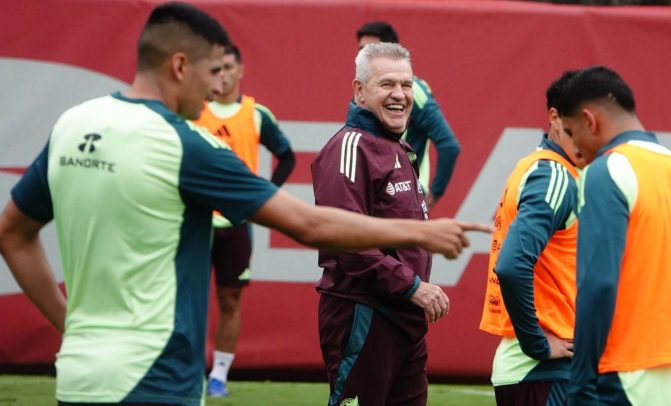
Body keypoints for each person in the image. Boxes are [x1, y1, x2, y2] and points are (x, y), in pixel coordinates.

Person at [0, 3, 489, 405]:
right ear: (180, 67)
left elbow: (12, 233)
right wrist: (422, 232)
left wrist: (72, 328)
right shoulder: (187, 146)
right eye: (213, 72)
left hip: (80, 376)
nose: (219, 89)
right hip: (155, 378)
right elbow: (311, 226)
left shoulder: (74, 124)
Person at [557, 66, 671, 405]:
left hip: (628, 380)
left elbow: (598, 286)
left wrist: (580, 387)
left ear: (589, 120)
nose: (575, 150)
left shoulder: (605, 172)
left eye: (570, 131)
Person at [312, 42, 448, 406]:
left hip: (406, 318)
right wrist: (413, 286)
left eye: (406, 85)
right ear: (359, 91)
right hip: (364, 313)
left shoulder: (398, 147)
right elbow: (346, 241)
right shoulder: (350, 147)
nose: (400, 94)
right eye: (387, 84)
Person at [192, 43, 296, 397]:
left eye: (228, 68)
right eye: (216, 68)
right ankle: (189, 369)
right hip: (197, 223)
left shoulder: (255, 114)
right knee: (188, 299)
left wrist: (262, 197)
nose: (222, 75)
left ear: (240, 71)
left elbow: (287, 156)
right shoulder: (195, 109)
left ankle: (219, 376)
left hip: (236, 225)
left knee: (230, 300)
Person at [478, 70, 585, 406]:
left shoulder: (541, 168)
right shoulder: (554, 175)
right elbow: (511, 266)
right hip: (543, 368)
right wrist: (537, 344)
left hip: (541, 369)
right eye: (580, 121)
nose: (590, 133)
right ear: (554, 117)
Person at [352, 21, 460, 211]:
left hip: (406, 198)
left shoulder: (414, 92)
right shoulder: (363, 90)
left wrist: (433, 196)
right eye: (361, 49)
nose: (362, 56)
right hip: (371, 197)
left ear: (390, 51)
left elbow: (449, 145)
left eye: (370, 49)